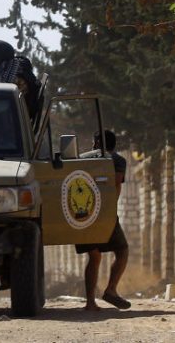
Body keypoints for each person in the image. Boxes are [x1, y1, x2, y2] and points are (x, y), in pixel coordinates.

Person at [75, 130, 130, 311]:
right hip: (105, 213)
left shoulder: (80, 159)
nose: (93, 145)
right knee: (122, 251)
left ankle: (90, 302)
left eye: (95, 142)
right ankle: (111, 289)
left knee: (94, 256)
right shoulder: (118, 161)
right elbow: (115, 183)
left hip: (82, 214)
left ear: (99, 143)